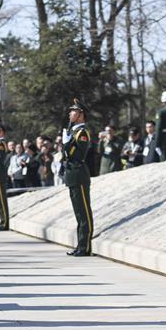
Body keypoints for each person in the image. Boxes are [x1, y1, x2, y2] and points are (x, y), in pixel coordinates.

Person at [62, 98, 94, 257]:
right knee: (78, 213)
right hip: (72, 174)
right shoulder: (73, 132)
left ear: (81, 115)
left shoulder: (82, 133)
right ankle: (80, 244)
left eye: (73, 111)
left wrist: (67, 145)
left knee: (84, 211)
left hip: (79, 173)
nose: (70, 113)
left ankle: (85, 246)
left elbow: (78, 154)